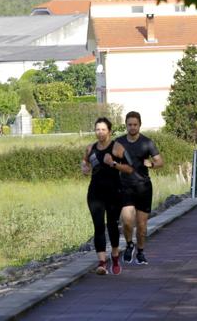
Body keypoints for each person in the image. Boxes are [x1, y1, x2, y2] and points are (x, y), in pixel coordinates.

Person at [81, 117, 134, 275]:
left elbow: (130, 168)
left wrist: (113, 164)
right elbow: (85, 162)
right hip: (95, 193)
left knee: (112, 225)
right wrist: (84, 167)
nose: (100, 132)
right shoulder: (90, 148)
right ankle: (102, 263)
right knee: (98, 226)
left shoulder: (117, 148)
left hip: (114, 192)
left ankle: (115, 256)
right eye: (98, 129)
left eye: (103, 129)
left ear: (109, 131)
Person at [116, 111, 164, 265]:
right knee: (127, 221)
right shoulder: (119, 142)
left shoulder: (147, 143)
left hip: (143, 187)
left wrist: (151, 164)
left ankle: (141, 251)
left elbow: (160, 162)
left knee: (142, 226)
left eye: (135, 125)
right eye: (129, 125)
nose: (132, 127)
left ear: (139, 125)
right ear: (126, 125)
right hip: (124, 187)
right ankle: (129, 245)